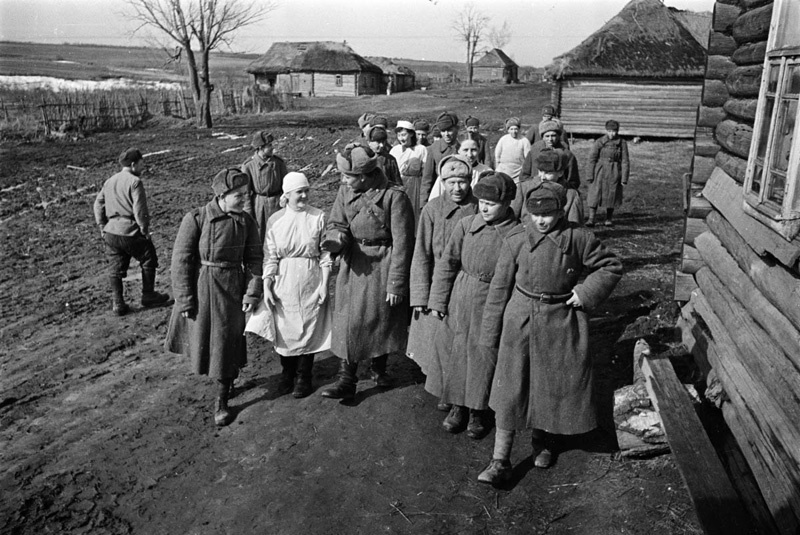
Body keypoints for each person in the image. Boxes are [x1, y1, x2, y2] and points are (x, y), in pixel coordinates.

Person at [476, 182, 622, 485]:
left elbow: (611, 266)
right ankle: (500, 460)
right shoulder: (516, 237)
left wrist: (585, 292)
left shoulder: (578, 238)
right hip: (520, 317)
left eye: (549, 214)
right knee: (510, 385)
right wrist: (490, 333)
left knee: (551, 380)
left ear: (561, 211)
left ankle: (543, 441)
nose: (541, 221)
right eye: (535, 214)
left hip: (560, 318)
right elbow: (499, 288)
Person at [165, 168, 263, 427]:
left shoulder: (247, 222)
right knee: (211, 343)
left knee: (227, 343)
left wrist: (253, 291)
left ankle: (222, 398)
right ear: (222, 196)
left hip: (233, 289)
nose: (245, 200)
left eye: (247, 194)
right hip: (204, 289)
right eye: (238, 195)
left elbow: (254, 259)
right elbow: (181, 260)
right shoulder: (196, 218)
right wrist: (184, 298)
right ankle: (225, 384)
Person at [427, 172, 519, 440]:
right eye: (481, 202)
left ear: (508, 202)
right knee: (456, 351)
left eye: (492, 203)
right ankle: (457, 406)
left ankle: (478, 410)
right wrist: (438, 300)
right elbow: (447, 264)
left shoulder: (516, 233)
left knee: (484, 354)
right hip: (462, 295)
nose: (485, 207)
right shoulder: (466, 225)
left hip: (494, 299)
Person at [320, 144, 415, 401]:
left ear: (363, 175)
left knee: (379, 318)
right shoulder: (345, 191)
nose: (344, 180)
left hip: (382, 265)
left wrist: (396, 283)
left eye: (348, 176)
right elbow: (336, 223)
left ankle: (378, 369)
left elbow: (403, 243)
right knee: (351, 320)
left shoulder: (395, 196)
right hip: (354, 264)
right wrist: (336, 239)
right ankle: (346, 379)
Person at [245, 172, 332, 399]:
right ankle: (287, 373)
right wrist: (266, 286)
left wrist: (324, 284)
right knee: (285, 328)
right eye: (298, 192)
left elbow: (325, 254)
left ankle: (304, 376)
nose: (303, 196)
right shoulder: (276, 220)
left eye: (306, 191)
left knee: (309, 325)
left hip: (310, 278)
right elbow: (270, 256)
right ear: (287, 194)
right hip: (283, 280)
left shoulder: (318, 216)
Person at [407, 155, 479, 410]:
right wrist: (419, 295)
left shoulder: (480, 208)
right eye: (451, 182)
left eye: (462, 182)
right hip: (438, 283)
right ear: (443, 182)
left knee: (462, 339)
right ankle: (442, 388)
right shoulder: (432, 209)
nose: (457, 188)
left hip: (466, 282)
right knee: (436, 339)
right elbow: (421, 254)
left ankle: (459, 392)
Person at [93, 147, 170, 315]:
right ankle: (148, 295)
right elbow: (140, 209)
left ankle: (118, 304)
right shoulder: (135, 182)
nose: (143, 167)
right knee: (149, 257)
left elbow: (98, 204)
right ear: (134, 164)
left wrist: (101, 226)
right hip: (130, 230)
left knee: (115, 268)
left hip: (111, 232)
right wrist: (144, 229)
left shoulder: (110, 181)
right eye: (142, 164)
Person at [241, 130, 288, 245]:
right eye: (269, 145)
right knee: (259, 238)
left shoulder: (278, 163)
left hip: (278, 204)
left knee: (280, 236)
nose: (273, 148)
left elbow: (287, 187)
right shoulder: (249, 166)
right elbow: (245, 194)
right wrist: (248, 214)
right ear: (260, 148)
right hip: (259, 207)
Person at [513, 150, 584, 225]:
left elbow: (575, 225)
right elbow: (512, 218)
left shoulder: (571, 195)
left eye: (548, 173)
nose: (542, 177)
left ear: (560, 173)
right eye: (540, 171)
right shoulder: (525, 188)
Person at [587, 120, 629, 227]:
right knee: (595, 193)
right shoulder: (600, 142)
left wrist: (624, 178)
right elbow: (592, 159)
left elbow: (625, 161)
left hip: (614, 171)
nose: (612, 134)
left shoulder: (622, 143)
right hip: (600, 171)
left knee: (612, 193)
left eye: (614, 131)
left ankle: (609, 218)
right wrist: (590, 175)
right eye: (610, 131)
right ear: (606, 131)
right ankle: (591, 218)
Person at [389, 120, 428, 226]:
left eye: (403, 134)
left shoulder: (421, 149)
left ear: (411, 133)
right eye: (399, 135)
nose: (401, 138)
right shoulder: (394, 150)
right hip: (399, 185)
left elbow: (425, 172)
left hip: (415, 187)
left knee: (414, 215)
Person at [521, 120, 580, 189]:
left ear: (559, 136)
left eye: (553, 135)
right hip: (536, 191)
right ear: (542, 137)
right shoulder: (534, 151)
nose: (550, 139)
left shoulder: (567, 155)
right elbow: (524, 176)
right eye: (547, 136)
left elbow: (573, 181)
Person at [421, 111, 460, 206]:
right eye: (443, 131)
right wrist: (423, 204)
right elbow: (427, 179)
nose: (446, 134)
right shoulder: (434, 149)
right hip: (439, 195)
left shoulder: (463, 148)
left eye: (450, 130)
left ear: (457, 129)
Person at [493, 117, 531, 183]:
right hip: (503, 171)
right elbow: (497, 156)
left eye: (516, 129)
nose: (514, 131)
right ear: (508, 130)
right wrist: (497, 169)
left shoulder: (524, 141)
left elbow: (528, 158)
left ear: (519, 129)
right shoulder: (503, 139)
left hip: (518, 172)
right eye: (511, 129)